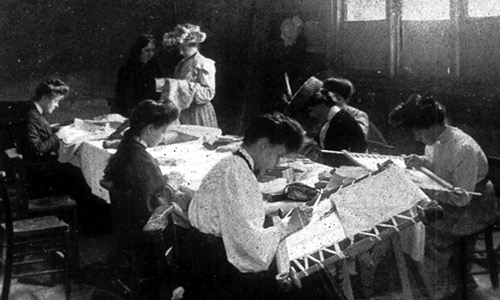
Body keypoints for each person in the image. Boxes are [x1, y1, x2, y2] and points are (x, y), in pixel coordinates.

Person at [184, 112, 313, 299]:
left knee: (288, 268)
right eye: (278, 156)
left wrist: (280, 206)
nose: (275, 164)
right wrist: (289, 225)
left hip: (205, 258)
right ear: (264, 145)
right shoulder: (238, 175)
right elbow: (252, 247)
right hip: (217, 271)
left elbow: (238, 214)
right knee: (298, 282)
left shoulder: (233, 164)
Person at [389, 94, 499, 299]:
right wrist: (422, 161)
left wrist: (427, 190)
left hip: (475, 206)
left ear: (432, 127)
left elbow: (462, 198)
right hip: (454, 198)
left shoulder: (462, 147)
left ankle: (439, 291)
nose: (416, 137)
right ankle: (433, 282)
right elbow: (440, 165)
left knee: (426, 233)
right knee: (410, 219)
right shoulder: (435, 140)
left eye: (418, 132)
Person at [17, 78, 102, 233]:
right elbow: (36, 148)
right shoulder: (31, 116)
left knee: (79, 173)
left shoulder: (35, 112)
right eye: (55, 102)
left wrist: (57, 129)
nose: (56, 106)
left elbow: (41, 132)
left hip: (40, 168)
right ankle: (92, 228)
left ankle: (91, 226)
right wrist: (58, 136)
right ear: (44, 98)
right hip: (39, 174)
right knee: (82, 177)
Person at [160, 23, 218, 128]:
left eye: (184, 48)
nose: (181, 52)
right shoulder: (181, 63)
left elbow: (208, 93)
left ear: (193, 45)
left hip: (198, 113)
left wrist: (181, 85)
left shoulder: (204, 63)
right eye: (179, 48)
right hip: (183, 112)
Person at [302, 85, 367, 155]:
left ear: (322, 107)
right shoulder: (332, 120)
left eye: (313, 110)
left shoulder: (343, 123)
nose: (312, 114)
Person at [113, 34, 163, 118]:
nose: (150, 54)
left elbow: (159, 86)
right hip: (131, 108)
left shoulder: (155, 65)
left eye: (152, 50)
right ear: (139, 50)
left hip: (151, 106)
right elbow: (122, 93)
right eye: (147, 50)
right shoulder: (128, 67)